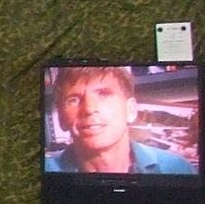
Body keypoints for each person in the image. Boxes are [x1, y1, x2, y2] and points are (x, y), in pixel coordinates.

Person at [45, 66, 197, 174]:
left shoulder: (176, 168)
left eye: (104, 94)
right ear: (61, 118)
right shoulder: (44, 173)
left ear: (130, 110)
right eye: (74, 100)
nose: (89, 109)